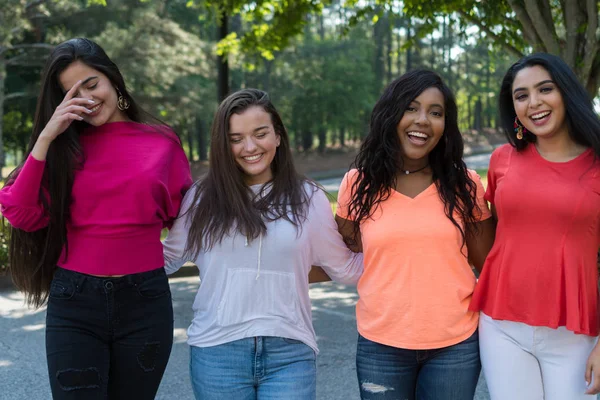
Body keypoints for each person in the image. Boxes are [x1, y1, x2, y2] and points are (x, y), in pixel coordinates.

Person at [0, 38, 192, 399]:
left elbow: (183, 214)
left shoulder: (162, 142)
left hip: (145, 303)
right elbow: (22, 213)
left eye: (92, 84)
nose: (87, 99)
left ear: (112, 79)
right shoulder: (59, 149)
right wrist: (46, 136)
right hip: (75, 303)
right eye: (72, 93)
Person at [162, 88, 363, 400]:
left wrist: (406, 249)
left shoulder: (308, 198)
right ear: (222, 144)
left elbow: (344, 268)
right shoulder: (201, 198)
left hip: (290, 353)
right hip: (217, 352)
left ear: (278, 136)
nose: (250, 147)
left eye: (260, 133)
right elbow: (166, 260)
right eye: (236, 138)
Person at [335, 69, 495, 400]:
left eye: (435, 113)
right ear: (391, 115)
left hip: (456, 346)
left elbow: (487, 261)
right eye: (411, 108)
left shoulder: (465, 184)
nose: (423, 120)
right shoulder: (357, 184)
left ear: (445, 126)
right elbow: (344, 249)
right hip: (381, 344)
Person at [469, 52, 600, 399]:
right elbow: (496, 231)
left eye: (545, 89)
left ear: (567, 93)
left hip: (573, 331)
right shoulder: (502, 160)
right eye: (521, 95)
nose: (534, 103)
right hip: (501, 326)